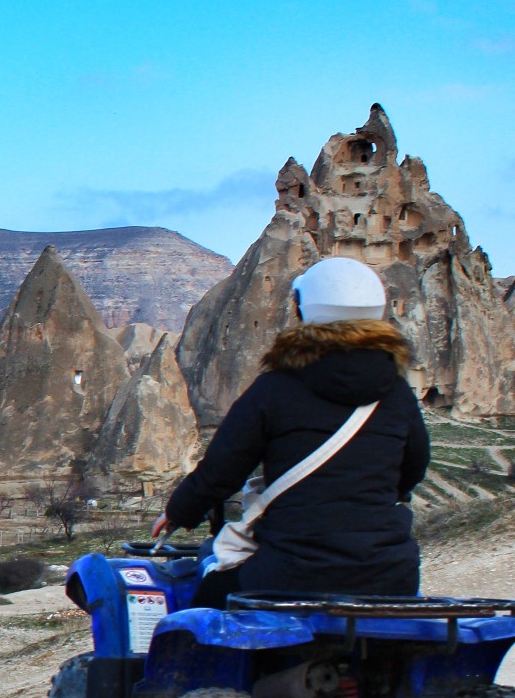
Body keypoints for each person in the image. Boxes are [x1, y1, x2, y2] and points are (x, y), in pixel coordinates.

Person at [155, 256, 430, 607]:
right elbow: (413, 471)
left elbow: (222, 470)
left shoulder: (275, 389)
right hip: (391, 577)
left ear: (302, 310)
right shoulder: (396, 395)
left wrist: (181, 511)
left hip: (289, 574)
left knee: (199, 606)